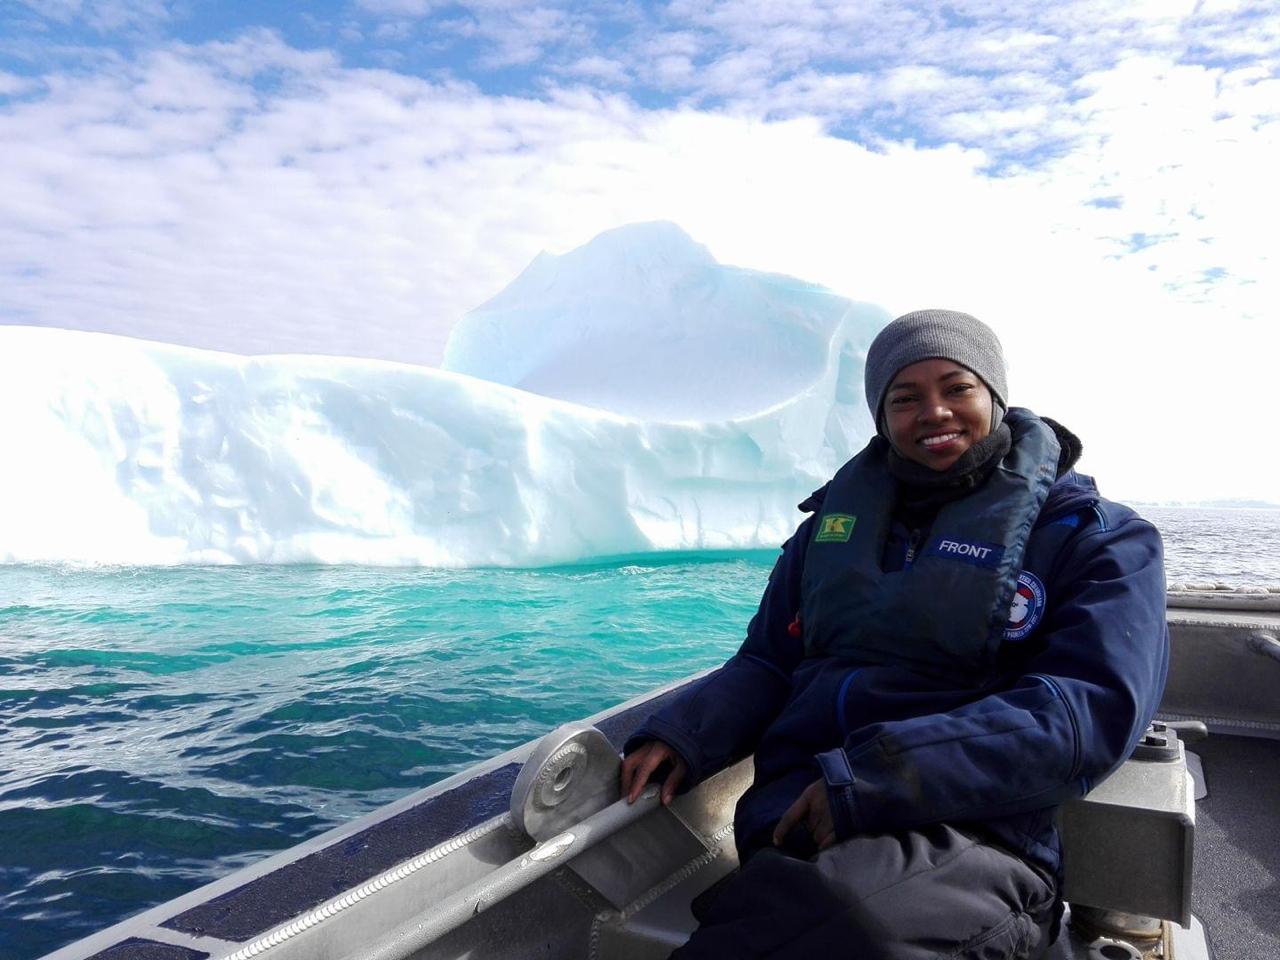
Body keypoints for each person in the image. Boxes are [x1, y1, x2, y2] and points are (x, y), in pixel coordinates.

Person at [619, 309, 1169, 960]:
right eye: (905, 398)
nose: (933, 412)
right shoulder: (826, 536)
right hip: (801, 815)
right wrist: (685, 734)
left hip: (978, 831)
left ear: (994, 395)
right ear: (883, 419)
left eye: (956, 388)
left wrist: (877, 778)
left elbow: (1087, 712)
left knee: (841, 928)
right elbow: (770, 662)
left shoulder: (1096, 538)